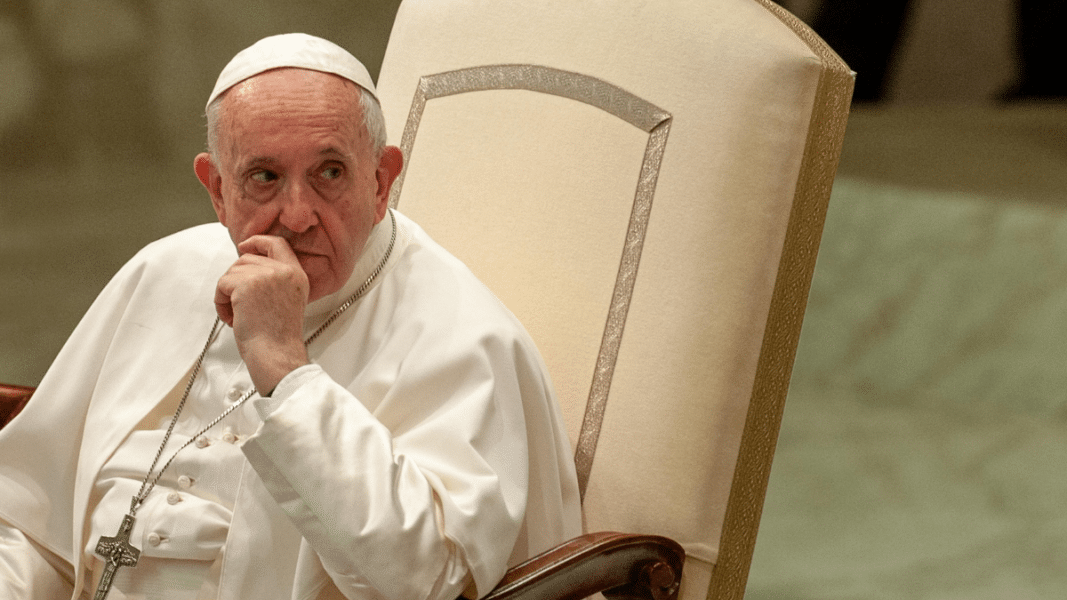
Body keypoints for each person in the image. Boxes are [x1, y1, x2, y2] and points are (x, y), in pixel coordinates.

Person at [0, 33, 582, 600]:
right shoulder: (163, 272)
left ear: (380, 182)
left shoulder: (463, 335)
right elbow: (30, 525)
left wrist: (285, 369)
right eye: (265, 177)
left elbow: (423, 581)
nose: (298, 215)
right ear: (217, 189)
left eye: (330, 172)